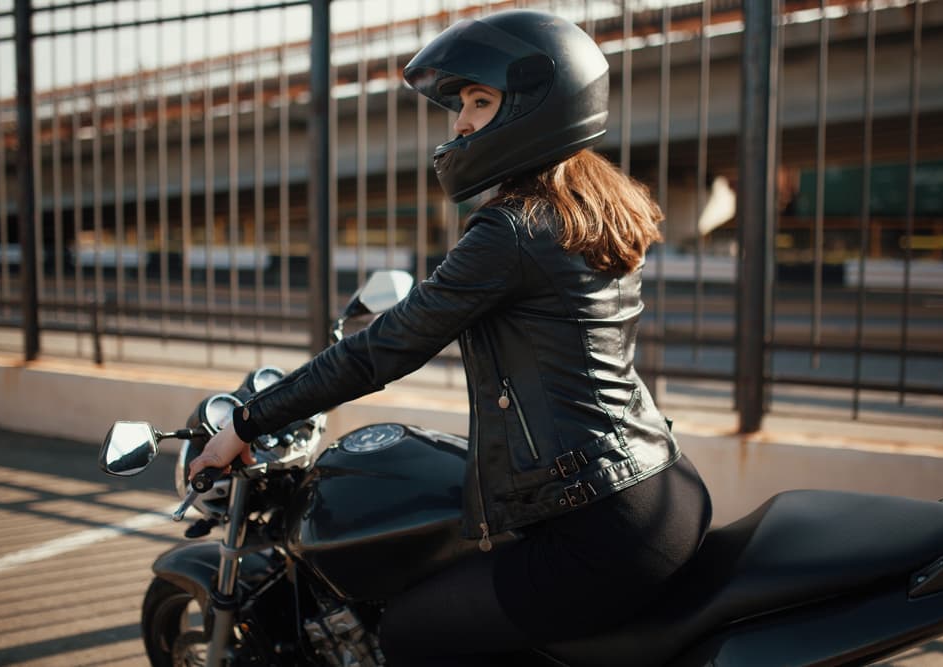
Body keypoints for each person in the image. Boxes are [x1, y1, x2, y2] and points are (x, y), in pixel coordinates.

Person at [189, 9, 711, 665]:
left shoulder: (511, 230)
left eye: (480, 100)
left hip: (600, 528)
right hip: (659, 488)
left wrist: (248, 420)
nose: (460, 122)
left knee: (411, 631)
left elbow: (384, 347)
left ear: (535, 105)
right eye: (461, 103)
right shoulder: (587, 208)